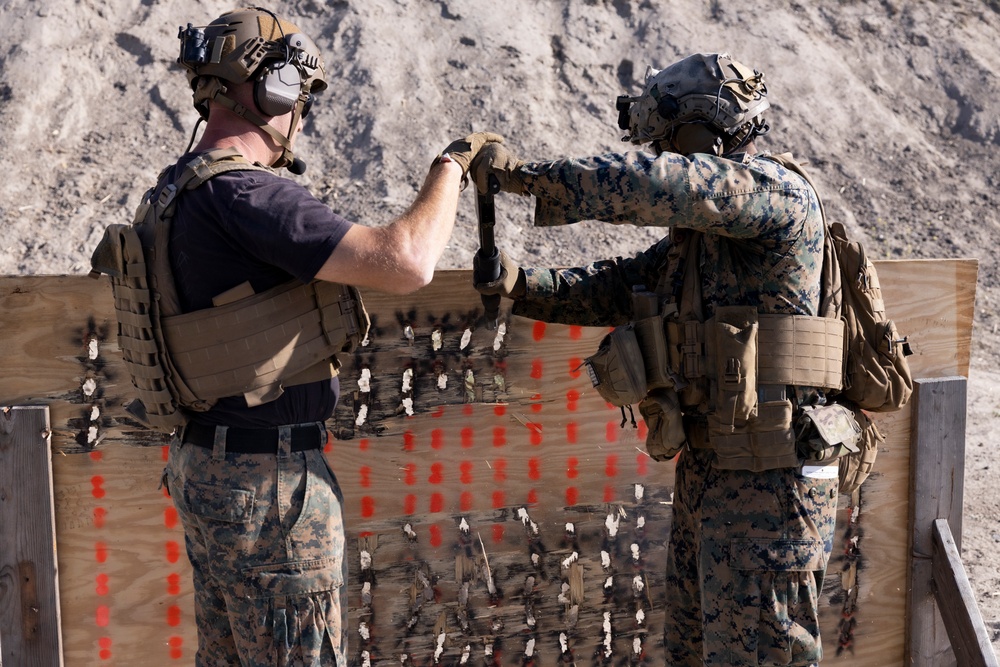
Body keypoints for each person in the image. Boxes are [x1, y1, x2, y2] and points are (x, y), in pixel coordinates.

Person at [94, 7, 500, 666]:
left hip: (207, 466)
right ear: (273, 90)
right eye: (297, 93)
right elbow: (405, 259)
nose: (300, 112)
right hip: (270, 483)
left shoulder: (171, 193)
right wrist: (452, 165)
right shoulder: (248, 195)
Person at [470, 53, 846, 666]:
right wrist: (520, 282)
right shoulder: (700, 241)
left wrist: (524, 177)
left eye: (670, 141)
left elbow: (653, 182)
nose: (663, 154)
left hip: (771, 489)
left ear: (701, 133)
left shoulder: (774, 197)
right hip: (713, 476)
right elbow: (617, 288)